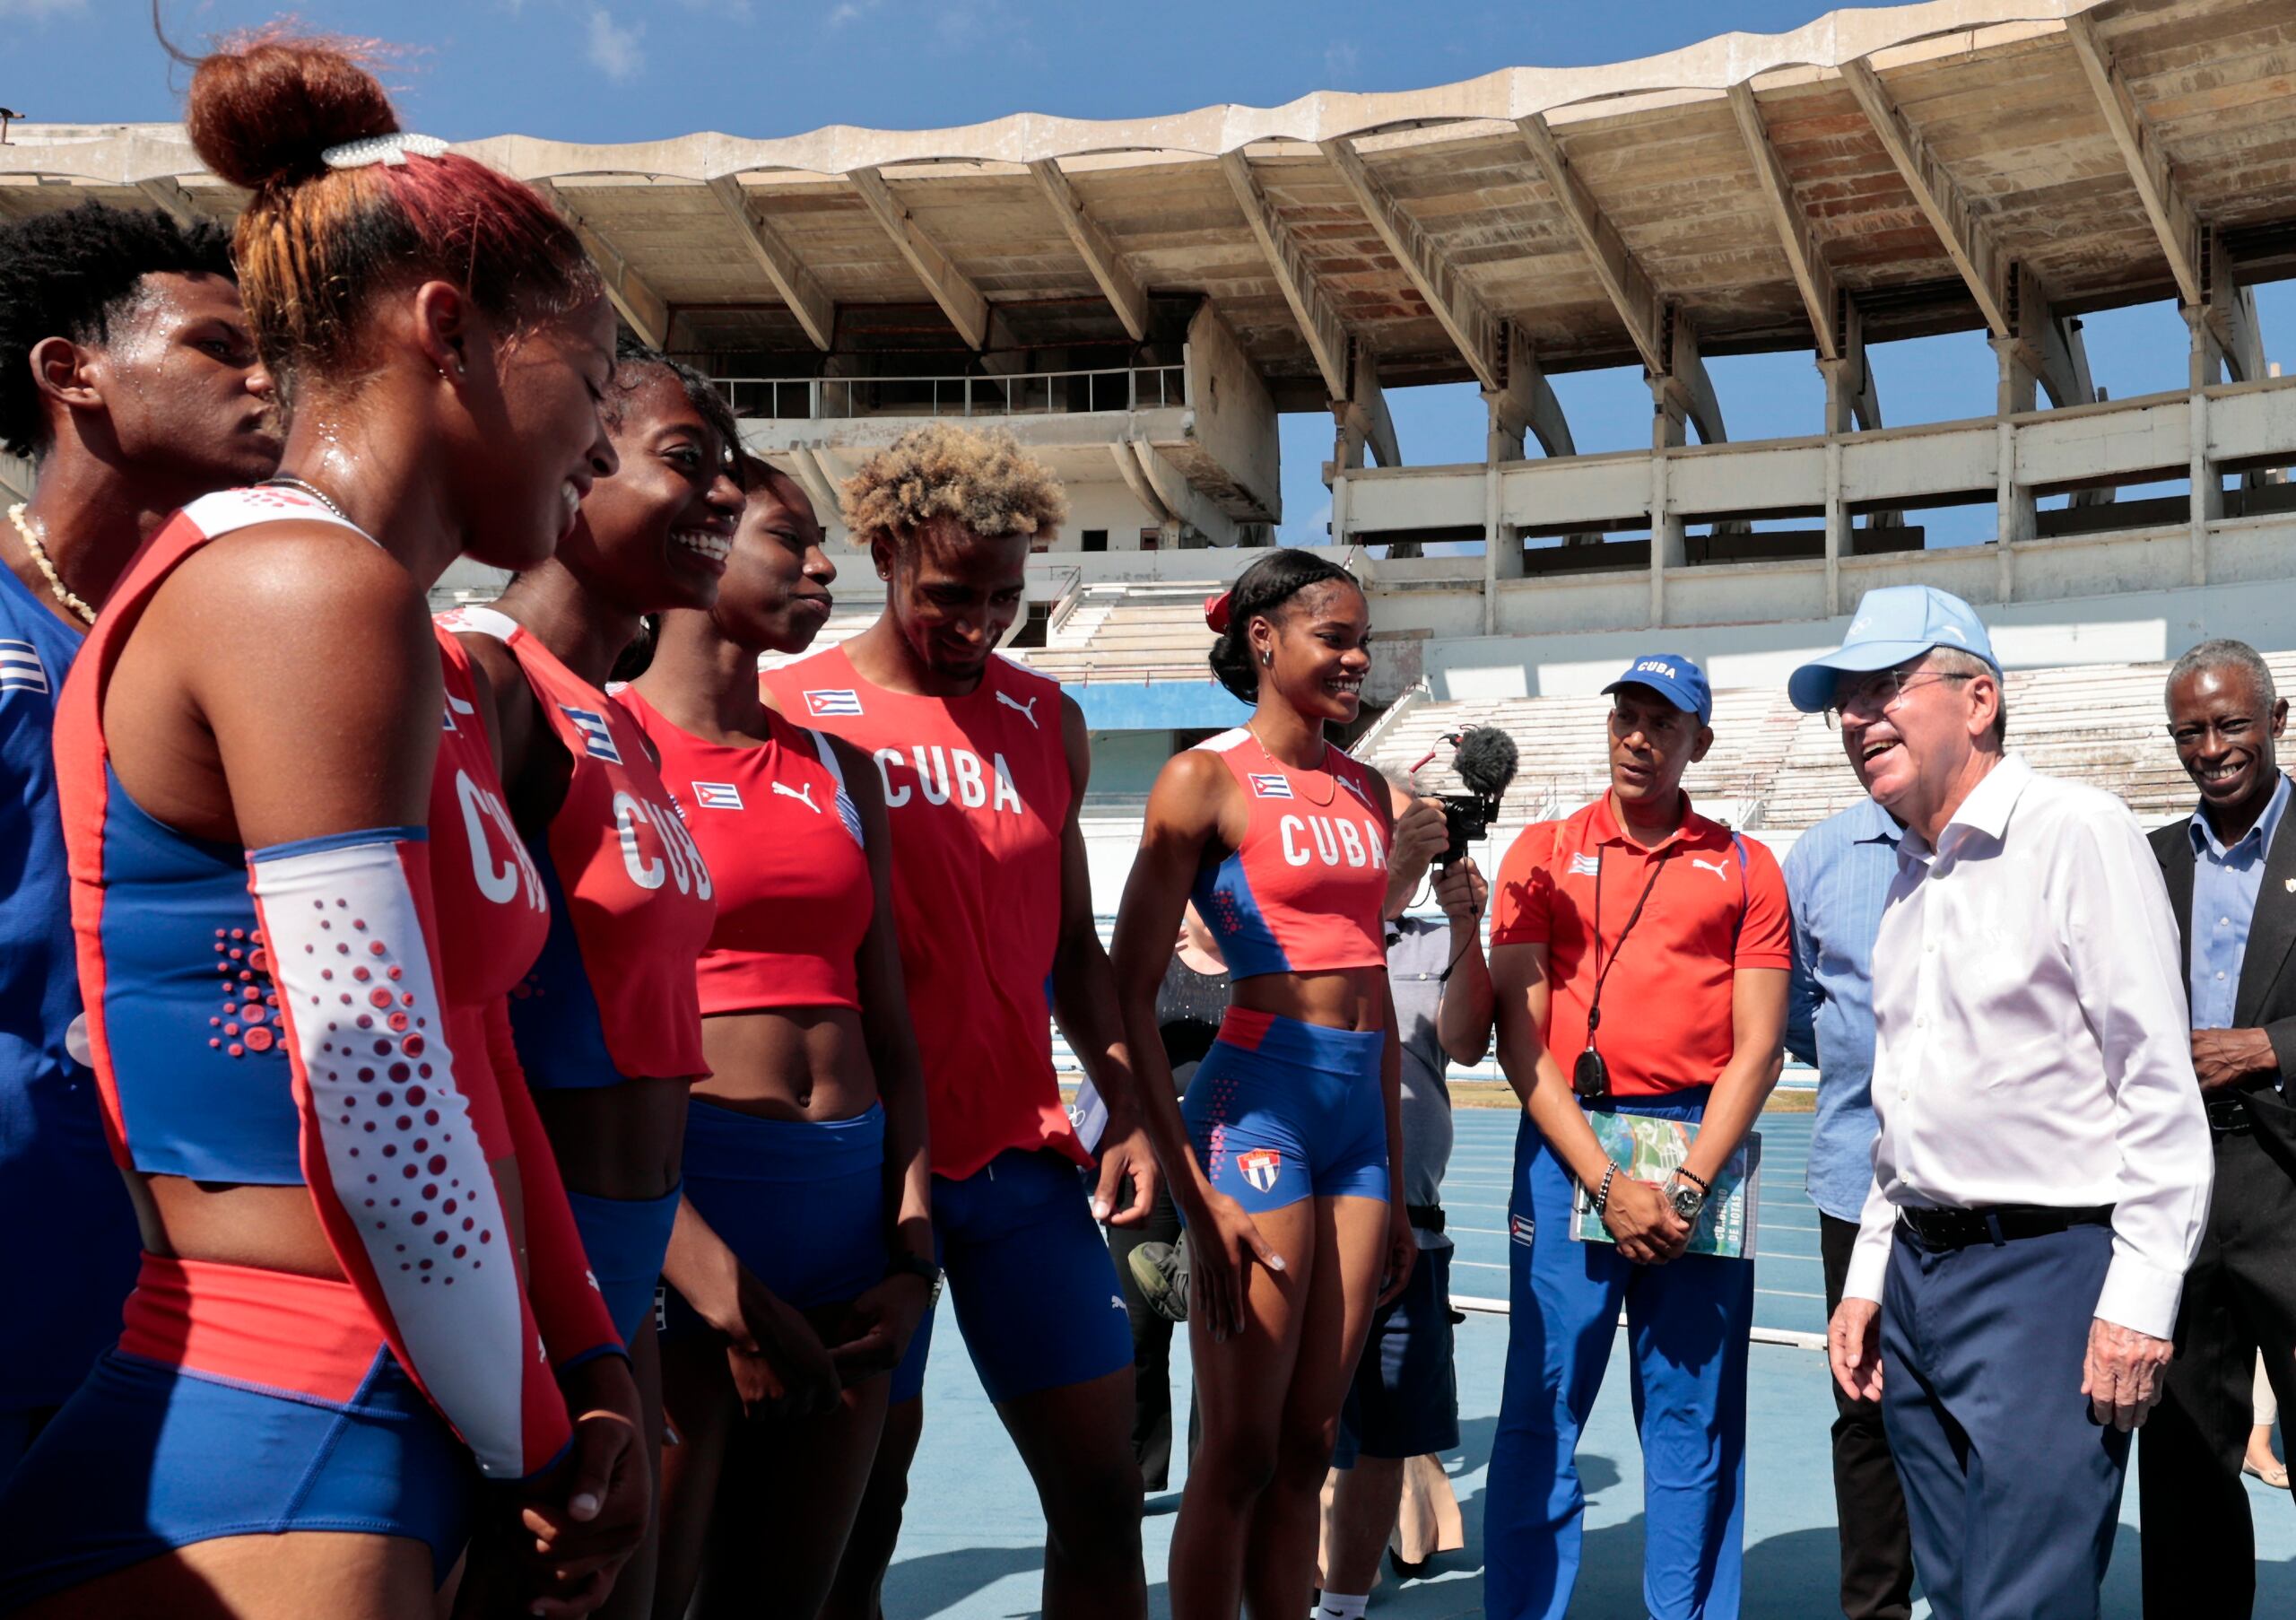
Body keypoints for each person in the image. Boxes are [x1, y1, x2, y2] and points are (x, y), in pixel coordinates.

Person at [0, 31, 648, 1618]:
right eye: (590, 369)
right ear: (448, 330)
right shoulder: (296, 586)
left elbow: (475, 1045)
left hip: (380, 1410)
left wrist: (589, 1367)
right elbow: (374, 1084)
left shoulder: (406, 637)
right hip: (284, 1429)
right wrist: (534, 1445)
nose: (605, 438)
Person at [762, 422, 1157, 1620]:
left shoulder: (1048, 720)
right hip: (872, 1180)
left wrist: (1130, 1105)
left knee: (1102, 1495)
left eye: (1005, 593)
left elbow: (1072, 944)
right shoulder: (797, 709)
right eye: (949, 593)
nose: (981, 621)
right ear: (883, 551)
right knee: (857, 1519)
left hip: (1023, 1166)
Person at [1809, 585, 2214, 1620]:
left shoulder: (2077, 832)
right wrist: (1866, 1279)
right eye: (1845, 701)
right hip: (1916, 1279)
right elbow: (1899, 1114)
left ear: (1977, 698)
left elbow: (2156, 1084)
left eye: (1884, 688)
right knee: (1949, 1590)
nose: (1859, 718)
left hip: (2045, 1276)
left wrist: (2137, 1302)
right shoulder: (1906, 877)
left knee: (2022, 1603)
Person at [449, 340, 747, 1620]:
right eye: (689, 460)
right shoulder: (487, 678)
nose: (725, 496)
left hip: (618, 1266)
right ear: (581, 464)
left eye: (730, 471)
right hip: (529, 1262)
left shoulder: (619, 718)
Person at [621, 461, 935, 1619]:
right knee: (655, 1593)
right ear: (697, 546)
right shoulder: (607, 745)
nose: (822, 565)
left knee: (788, 1603)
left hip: (853, 1229)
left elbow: (891, 1028)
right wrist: (714, 1289)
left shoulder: (845, 771)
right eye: (790, 539)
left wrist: (912, 1253)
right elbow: (573, 1056)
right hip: (696, 1221)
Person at [0, 201, 279, 1480]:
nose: (268, 378)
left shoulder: (207, 643)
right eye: (223, 345)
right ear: (74, 373)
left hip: (178, 1291)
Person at [1110, 548, 1414, 1620]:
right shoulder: (1204, 777)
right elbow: (1126, 987)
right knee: (1236, 1449)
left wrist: (1389, 1155)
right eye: (1335, 638)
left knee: (1310, 1442)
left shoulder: (1368, 786)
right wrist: (1190, 1185)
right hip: (1256, 1110)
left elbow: (1372, 980)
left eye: (1361, 640)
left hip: (1356, 1133)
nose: (1357, 659)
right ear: (1262, 639)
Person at [1483, 650, 1789, 1620]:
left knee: (1690, 1419)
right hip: (1570, 1147)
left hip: (1695, 1144)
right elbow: (1515, 1036)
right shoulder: (1539, 851)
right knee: (1541, 1409)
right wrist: (1608, 1183)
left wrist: (1688, 1186)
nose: (1639, 739)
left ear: (1699, 740)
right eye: (1626, 717)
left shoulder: (1746, 865)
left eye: (1663, 723)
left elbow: (1760, 1052)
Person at [2138, 637, 2296, 1618]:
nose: (2211, 747)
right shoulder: (2146, 861)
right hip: (2176, 1184)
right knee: (2186, 1458)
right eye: (2190, 730)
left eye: (2230, 723)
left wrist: (2269, 1047)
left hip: (2290, 1180)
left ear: (2276, 720)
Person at [1318, 776, 1489, 1620]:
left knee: (1387, 1432)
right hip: (1314, 1219)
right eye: (1393, 822)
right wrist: (1384, 882)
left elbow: (1464, 1041)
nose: (1411, 835)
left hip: (1412, 1227)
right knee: (1300, 1432)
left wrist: (1464, 924)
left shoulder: (1428, 942)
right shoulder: (1314, 930)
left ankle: (1346, 1598)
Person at [1783, 796, 1914, 1620]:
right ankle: (1877, 1607)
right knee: (1864, 1409)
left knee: (1985, 1409)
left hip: (1987, 1185)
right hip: (1853, 1174)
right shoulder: (1820, 854)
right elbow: (1796, 1003)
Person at [1106, 901, 1230, 1493]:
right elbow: (1110, 1033)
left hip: (1234, 1162)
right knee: (1135, 1326)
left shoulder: (1259, 964)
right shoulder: (1154, 959)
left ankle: (1211, 1474)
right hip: (1150, 1159)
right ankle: (1136, 1473)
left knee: (1221, 1321)